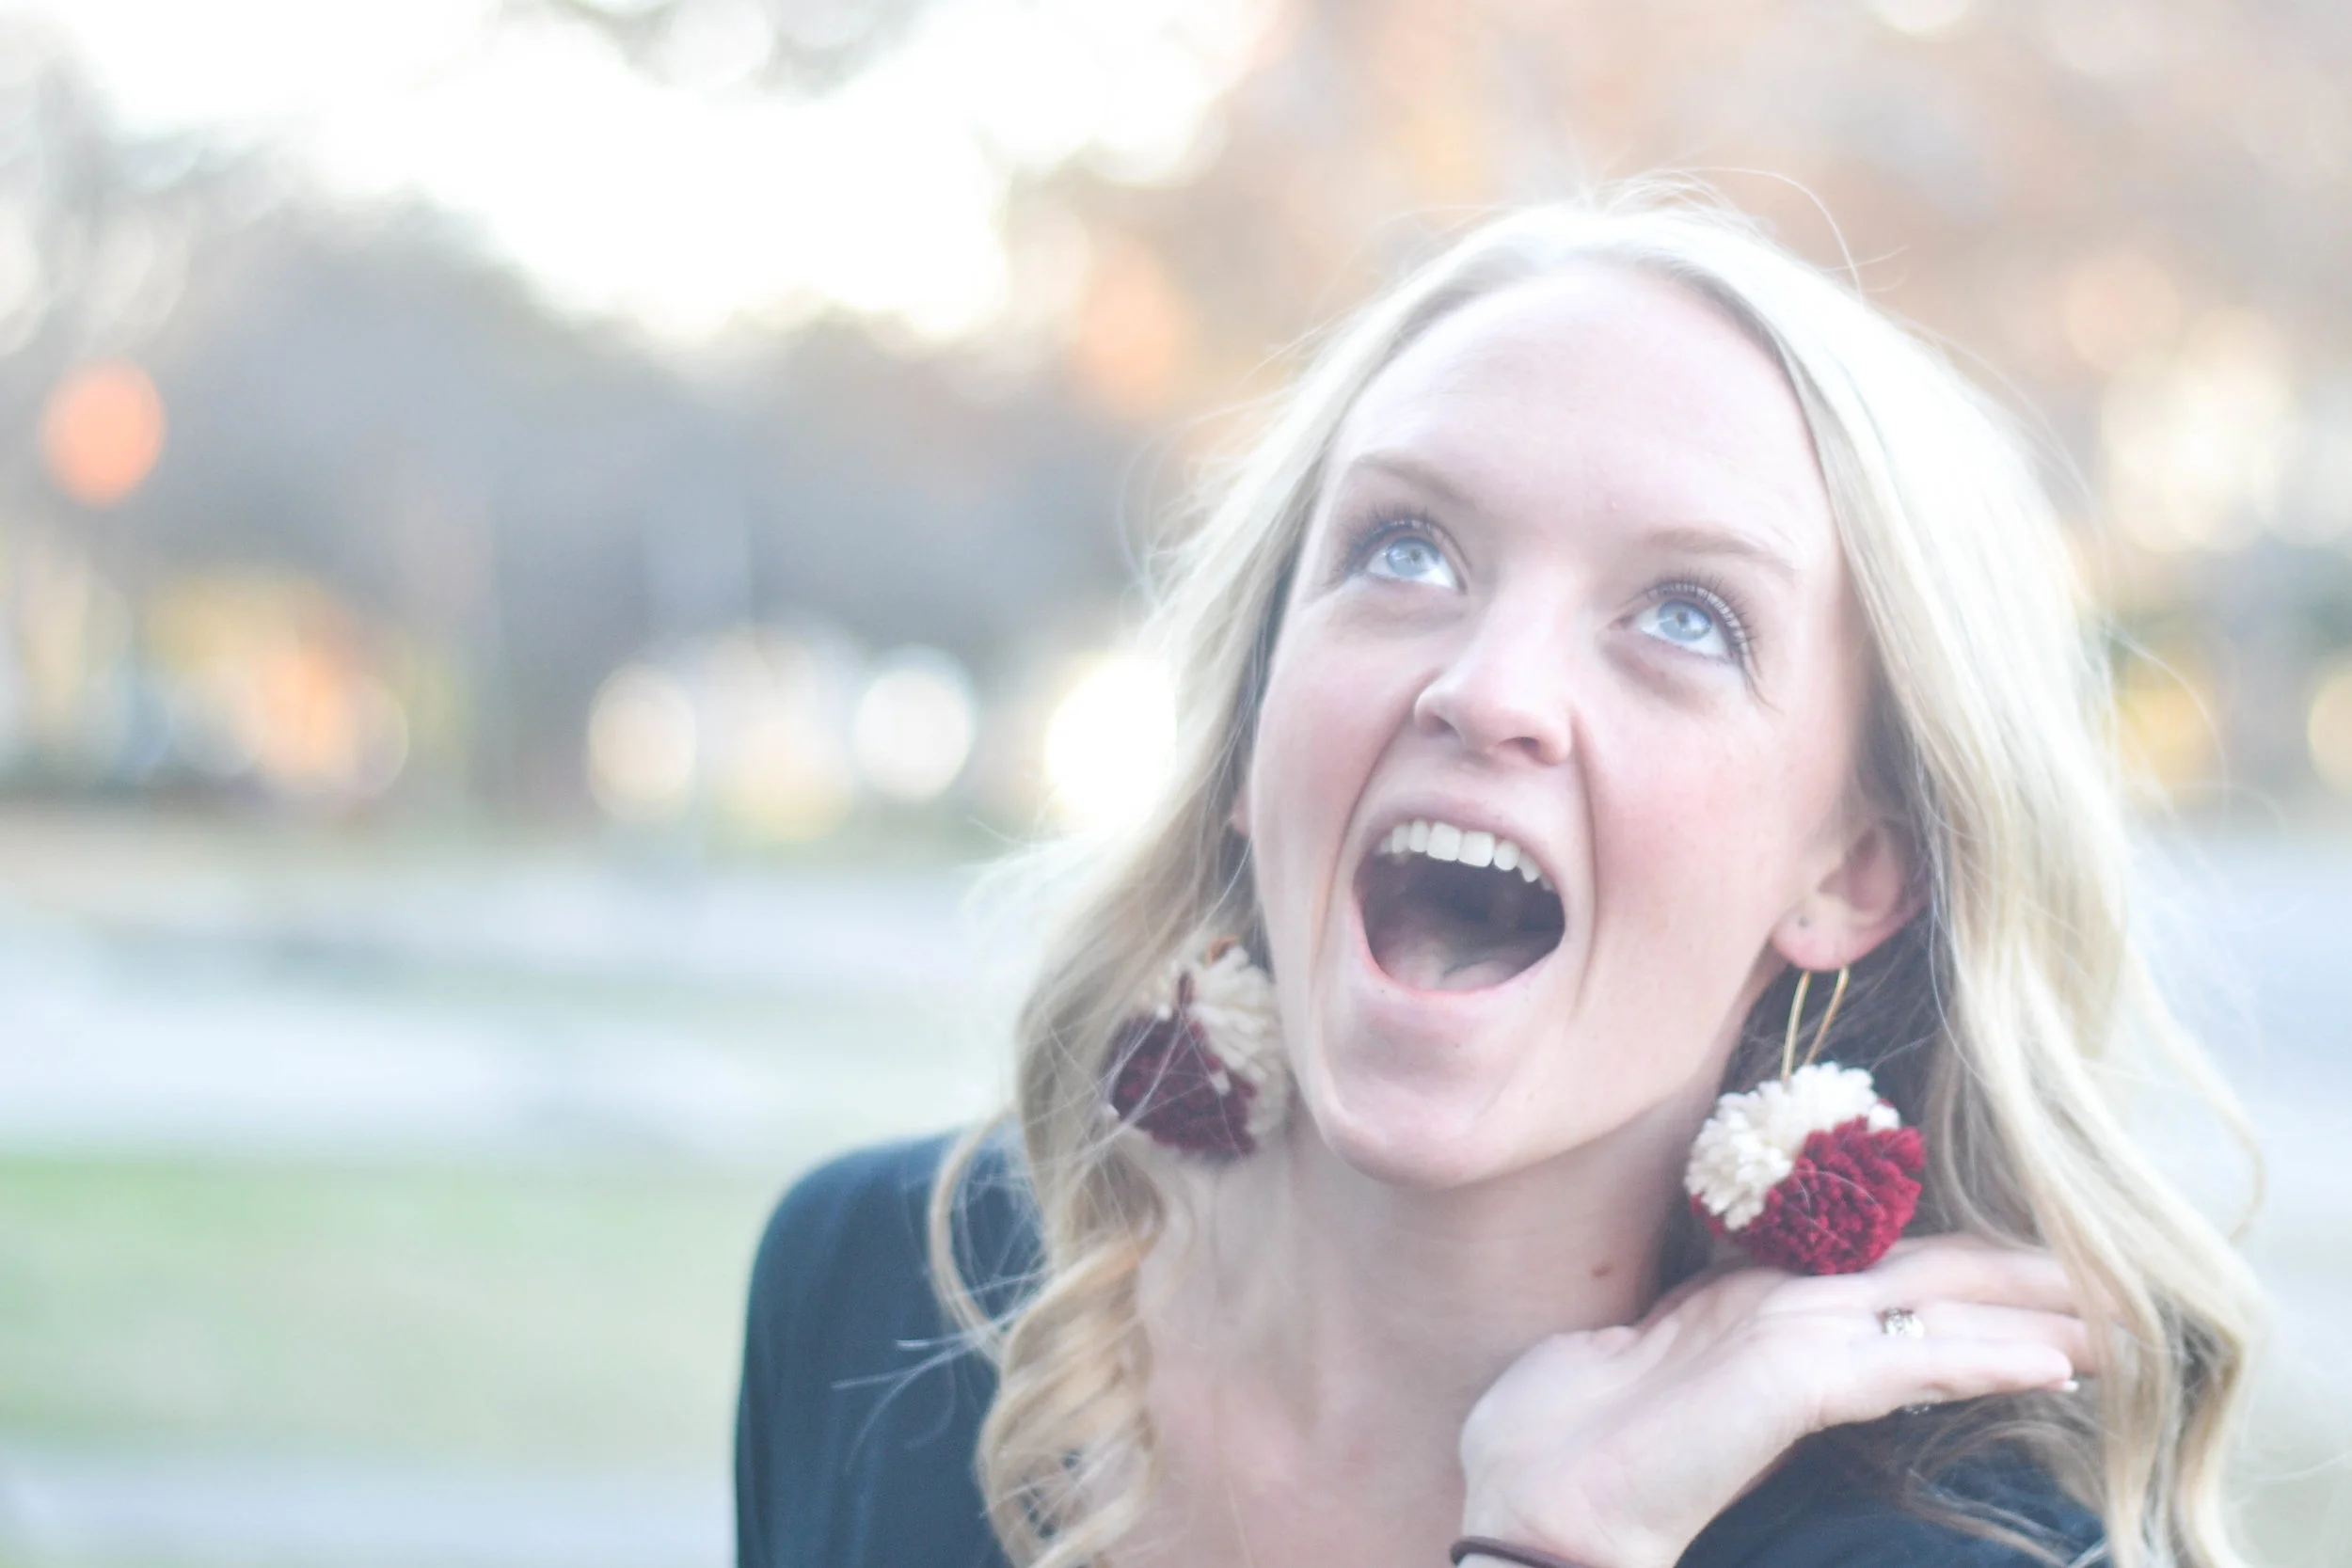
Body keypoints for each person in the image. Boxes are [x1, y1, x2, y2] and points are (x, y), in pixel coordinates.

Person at [735, 187, 2262, 1568]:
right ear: (1261, 711)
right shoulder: (879, 1283)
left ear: (1852, 873)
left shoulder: (1940, 1553)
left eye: (1687, 617)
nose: (1489, 688)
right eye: (1407, 549)